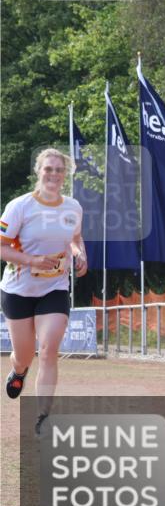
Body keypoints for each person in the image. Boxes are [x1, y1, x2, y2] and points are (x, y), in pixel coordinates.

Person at [1, 148, 86, 436]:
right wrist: (31, 261)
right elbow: (1, 246)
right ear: (38, 172)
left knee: (49, 349)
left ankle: (42, 417)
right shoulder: (19, 207)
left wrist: (79, 253)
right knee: (25, 354)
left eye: (58, 170)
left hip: (55, 286)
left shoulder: (73, 207)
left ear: (65, 174)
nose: (53, 174)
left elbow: (74, 238)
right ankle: (19, 371)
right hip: (18, 288)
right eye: (48, 169)